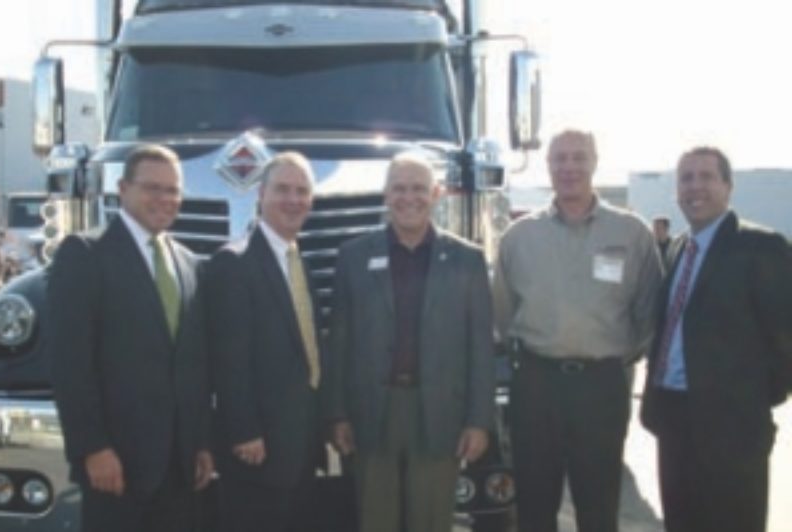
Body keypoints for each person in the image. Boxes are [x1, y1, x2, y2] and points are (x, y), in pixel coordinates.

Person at [493, 129, 662, 532]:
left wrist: (615, 357)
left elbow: (650, 311)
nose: (569, 167)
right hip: (535, 383)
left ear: (594, 162)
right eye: (560, 159)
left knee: (599, 506)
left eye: (578, 157)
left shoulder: (631, 233)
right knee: (534, 506)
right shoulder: (519, 237)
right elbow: (502, 313)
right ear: (548, 166)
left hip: (601, 387)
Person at [326, 152, 495, 532]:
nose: (409, 197)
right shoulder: (353, 257)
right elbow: (339, 341)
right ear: (385, 195)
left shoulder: (467, 261)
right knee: (375, 520)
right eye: (399, 188)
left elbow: (480, 348)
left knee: (431, 522)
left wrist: (478, 421)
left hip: (439, 416)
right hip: (372, 414)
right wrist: (337, 413)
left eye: (419, 188)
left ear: (436, 194)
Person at [49, 144, 214, 532]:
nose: (165, 199)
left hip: (178, 467)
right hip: (116, 465)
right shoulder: (85, 254)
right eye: (152, 188)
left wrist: (202, 442)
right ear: (122, 189)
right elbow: (70, 365)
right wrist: (92, 448)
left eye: (173, 190)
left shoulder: (189, 264)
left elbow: (194, 363)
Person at [640, 146, 792, 532]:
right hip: (673, 418)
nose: (695, 187)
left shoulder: (761, 247)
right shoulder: (677, 248)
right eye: (686, 179)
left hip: (732, 426)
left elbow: (784, 336)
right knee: (682, 521)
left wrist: (753, 401)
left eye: (707, 177)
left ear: (728, 186)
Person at [205, 151, 322, 532]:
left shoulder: (297, 260)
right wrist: (243, 431)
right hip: (257, 448)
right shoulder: (234, 263)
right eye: (283, 189)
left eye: (302, 191)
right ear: (260, 195)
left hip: (300, 444)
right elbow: (229, 358)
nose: (293, 200)